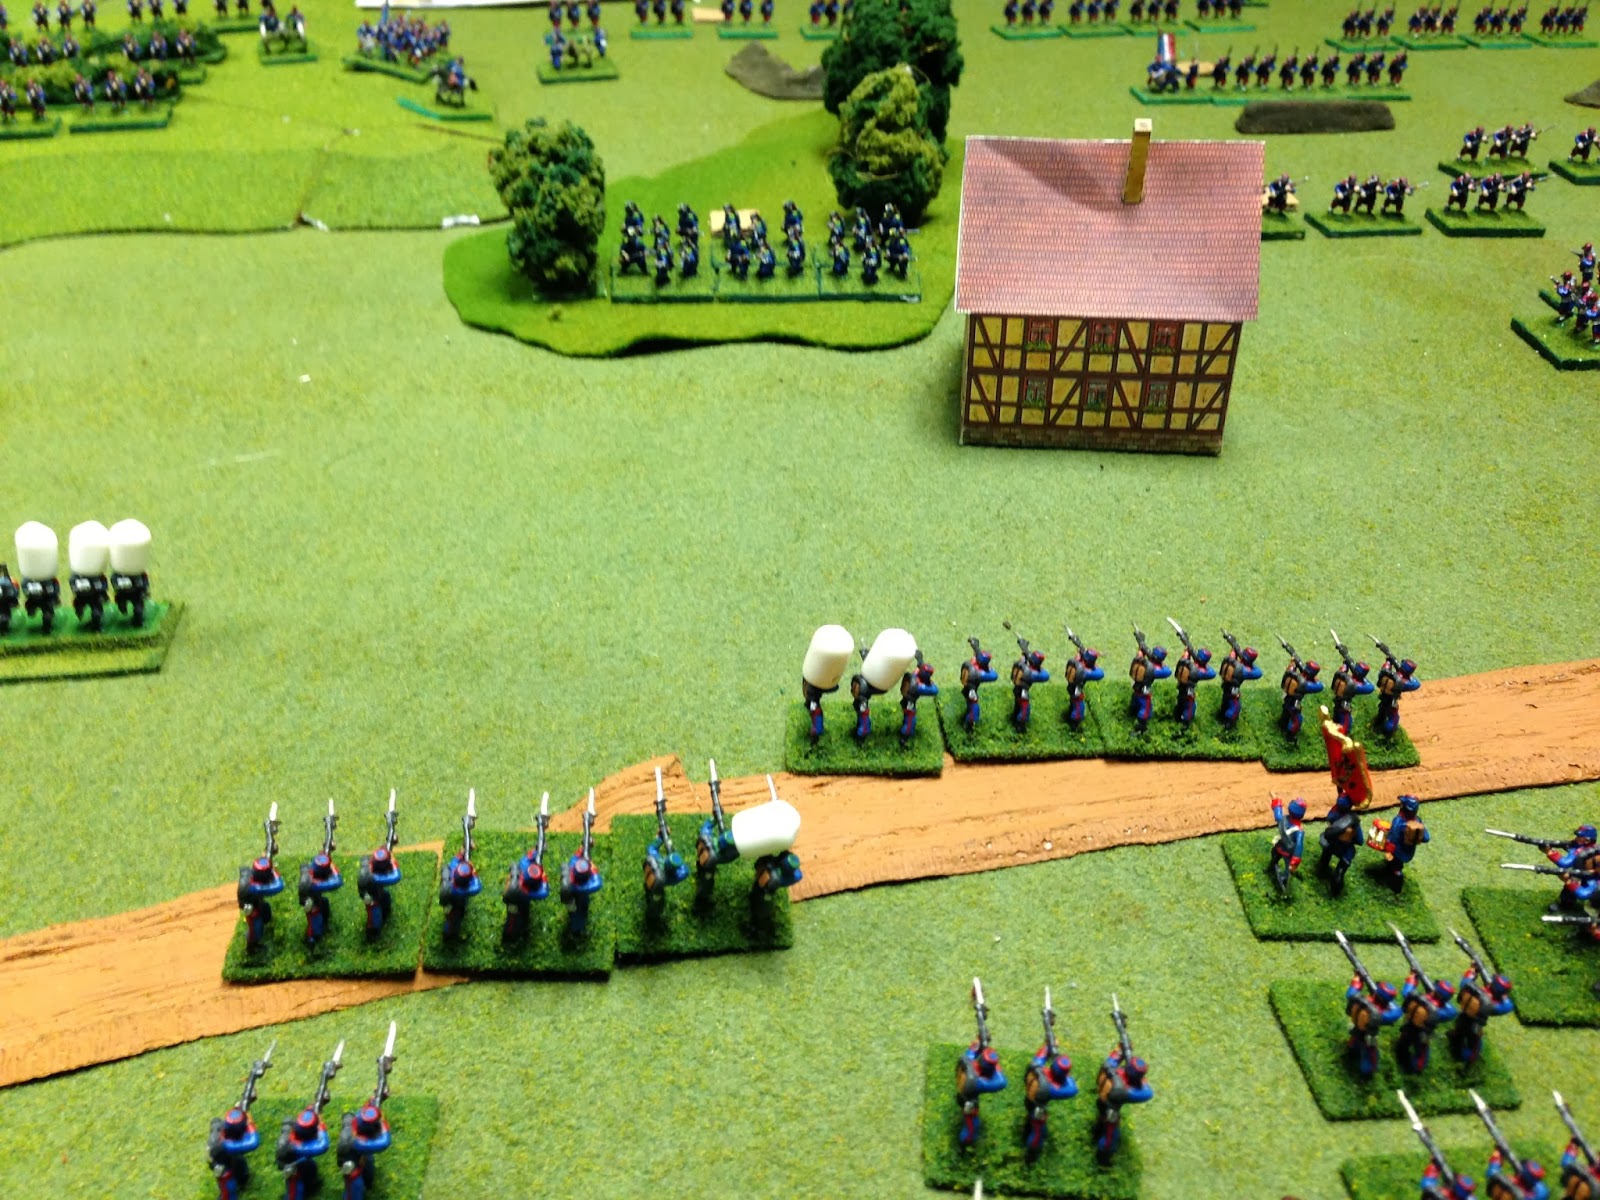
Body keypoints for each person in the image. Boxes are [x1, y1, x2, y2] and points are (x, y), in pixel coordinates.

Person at [1092, 1049, 1151, 1166]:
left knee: (1102, 1122)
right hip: (1110, 1109)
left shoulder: (1118, 1075)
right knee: (1110, 1139)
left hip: (1105, 1102)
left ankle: (1096, 1132)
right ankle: (1102, 1161)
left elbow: (1108, 1064)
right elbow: (1147, 1092)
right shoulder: (1122, 1090)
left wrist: (1119, 1053)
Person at [1345, 974, 1401, 1077]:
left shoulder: (1359, 1000)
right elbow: (1397, 1011)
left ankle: (1352, 1052)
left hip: (1356, 1027)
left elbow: (1351, 992)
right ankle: (1367, 1072)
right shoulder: (1380, 1014)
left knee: (1356, 1041)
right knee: (1371, 1055)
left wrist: (1357, 981)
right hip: (1368, 1035)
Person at [336, 1104, 392, 1200]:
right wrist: (383, 1122)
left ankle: (368, 1184)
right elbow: (384, 1142)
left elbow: (369, 1109)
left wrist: (375, 1100)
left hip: (361, 1156)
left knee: (368, 1168)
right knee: (355, 1188)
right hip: (352, 1167)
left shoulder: (358, 1118)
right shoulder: (359, 1143)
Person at [1378, 794, 1429, 893]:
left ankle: (1396, 886)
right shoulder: (1418, 821)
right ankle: (1390, 870)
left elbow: (1392, 838)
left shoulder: (1398, 821)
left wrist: (1388, 850)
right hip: (1409, 852)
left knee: (1396, 868)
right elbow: (1426, 838)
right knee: (1394, 865)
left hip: (1397, 852)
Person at [1317, 793, 1361, 895]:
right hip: (1346, 849)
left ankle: (1322, 869)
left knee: (1326, 854)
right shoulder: (1354, 821)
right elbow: (1360, 840)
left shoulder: (1334, 814)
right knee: (1340, 871)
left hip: (1331, 844)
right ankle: (1336, 889)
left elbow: (1329, 819)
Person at [299, 853, 343, 947]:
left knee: (324, 903)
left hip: (317, 898)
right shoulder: (308, 882)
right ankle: (311, 940)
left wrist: (329, 862)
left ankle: (324, 924)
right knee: (316, 926)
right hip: (311, 903)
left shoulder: (313, 873)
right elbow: (337, 882)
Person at [357, 846, 402, 938]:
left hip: (376, 891)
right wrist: (393, 861)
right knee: (374, 916)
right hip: (370, 896)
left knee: (385, 897)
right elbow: (395, 877)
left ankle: (385, 914)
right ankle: (372, 933)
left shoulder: (371, 865)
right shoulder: (371, 877)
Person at [1127, 638, 1170, 732]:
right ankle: (1140, 729)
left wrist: (1143, 649)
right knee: (1146, 710)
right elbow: (1167, 671)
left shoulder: (1139, 661)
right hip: (1144, 694)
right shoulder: (1154, 670)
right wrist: (1159, 662)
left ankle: (1130, 715)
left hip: (1136, 690)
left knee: (1134, 705)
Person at [1216, 639, 1261, 729]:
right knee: (1235, 707)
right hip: (1233, 691)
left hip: (1226, 687)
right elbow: (1258, 672)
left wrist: (1238, 653)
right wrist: (1249, 663)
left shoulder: (1230, 662)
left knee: (1226, 703)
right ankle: (1227, 726)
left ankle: (1222, 717)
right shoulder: (1244, 670)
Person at [559, 847, 602, 935]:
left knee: (573, 910)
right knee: (580, 913)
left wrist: (582, 849)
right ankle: (577, 931)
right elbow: (597, 883)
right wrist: (592, 867)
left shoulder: (572, 866)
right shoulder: (585, 887)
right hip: (578, 899)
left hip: (571, 897)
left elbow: (575, 857)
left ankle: (576, 926)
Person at [437, 854, 480, 940]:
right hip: (456, 905)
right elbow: (477, 887)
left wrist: (461, 854)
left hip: (449, 899)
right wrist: (474, 875)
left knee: (451, 916)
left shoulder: (453, 869)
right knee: (454, 919)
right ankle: (449, 935)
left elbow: (454, 860)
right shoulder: (464, 891)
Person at [1269, 797, 1306, 895]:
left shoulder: (1283, 820)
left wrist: (1276, 802)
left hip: (1283, 848)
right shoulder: (1299, 831)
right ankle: (1277, 870)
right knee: (1280, 860)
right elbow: (1299, 846)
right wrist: (1295, 859)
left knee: (1279, 859)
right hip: (1286, 850)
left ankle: (1283, 877)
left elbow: (1277, 813)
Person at [1010, 643, 1050, 732]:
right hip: (1022, 691)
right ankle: (1020, 725)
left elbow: (1023, 660)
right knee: (1024, 708)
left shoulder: (1023, 665)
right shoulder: (1030, 673)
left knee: (1018, 705)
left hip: (1018, 689)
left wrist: (1027, 653)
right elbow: (1045, 675)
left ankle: (1015, 718)